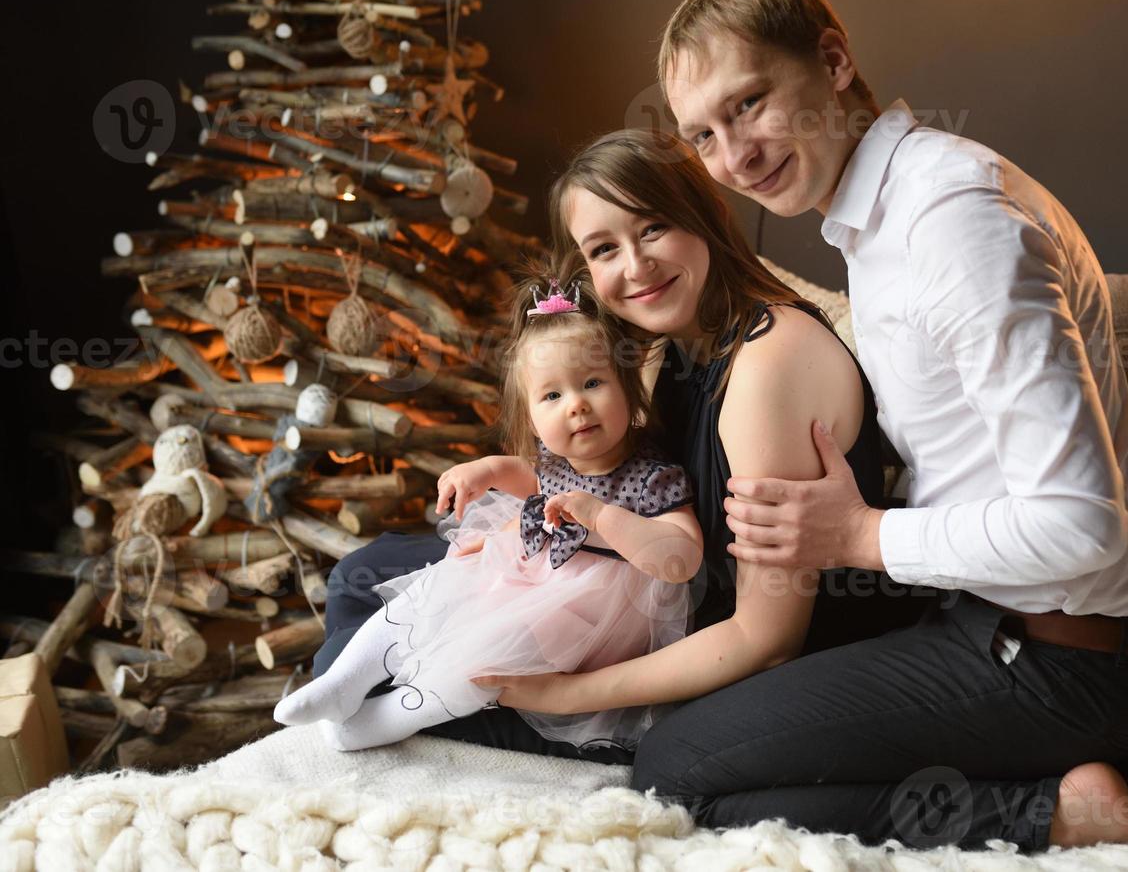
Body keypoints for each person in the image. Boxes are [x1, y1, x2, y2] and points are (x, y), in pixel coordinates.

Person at [622, 0, 1128, 852]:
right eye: (703, 134)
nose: (733, 157)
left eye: (749, 104)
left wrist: (858, 538)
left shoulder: (953, 221)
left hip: (1072, 663)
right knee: (700, 723)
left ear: (835, 60)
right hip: (995, 624)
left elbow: (1085, 527)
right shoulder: (876, 223)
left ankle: (1053, 812)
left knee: (677, 774)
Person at [308, 128, 925, 765]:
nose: (635, 268)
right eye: (605, 248)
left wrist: (567, 695)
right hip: (634, 578)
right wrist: (509, 556)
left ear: (703, 214)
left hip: (712, 645)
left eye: (653, 227)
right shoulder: (679, 343)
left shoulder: (768, 364)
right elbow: (614, 490)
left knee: (389, 665)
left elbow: (765, 640)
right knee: (368, 571)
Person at [274, 265, 700, 752]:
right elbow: (528, 474)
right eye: (553, 395)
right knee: (438, 588)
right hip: (525, 569)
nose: (576, 406)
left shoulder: (652, 478)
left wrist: (602, 517)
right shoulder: (555, 460)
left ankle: (389, 717)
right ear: (534, 420)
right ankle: (346, 679)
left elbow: (681, 557)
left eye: (593, 383)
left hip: (586, 613)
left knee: (486, 659)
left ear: (630, 390)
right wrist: (486, 471)